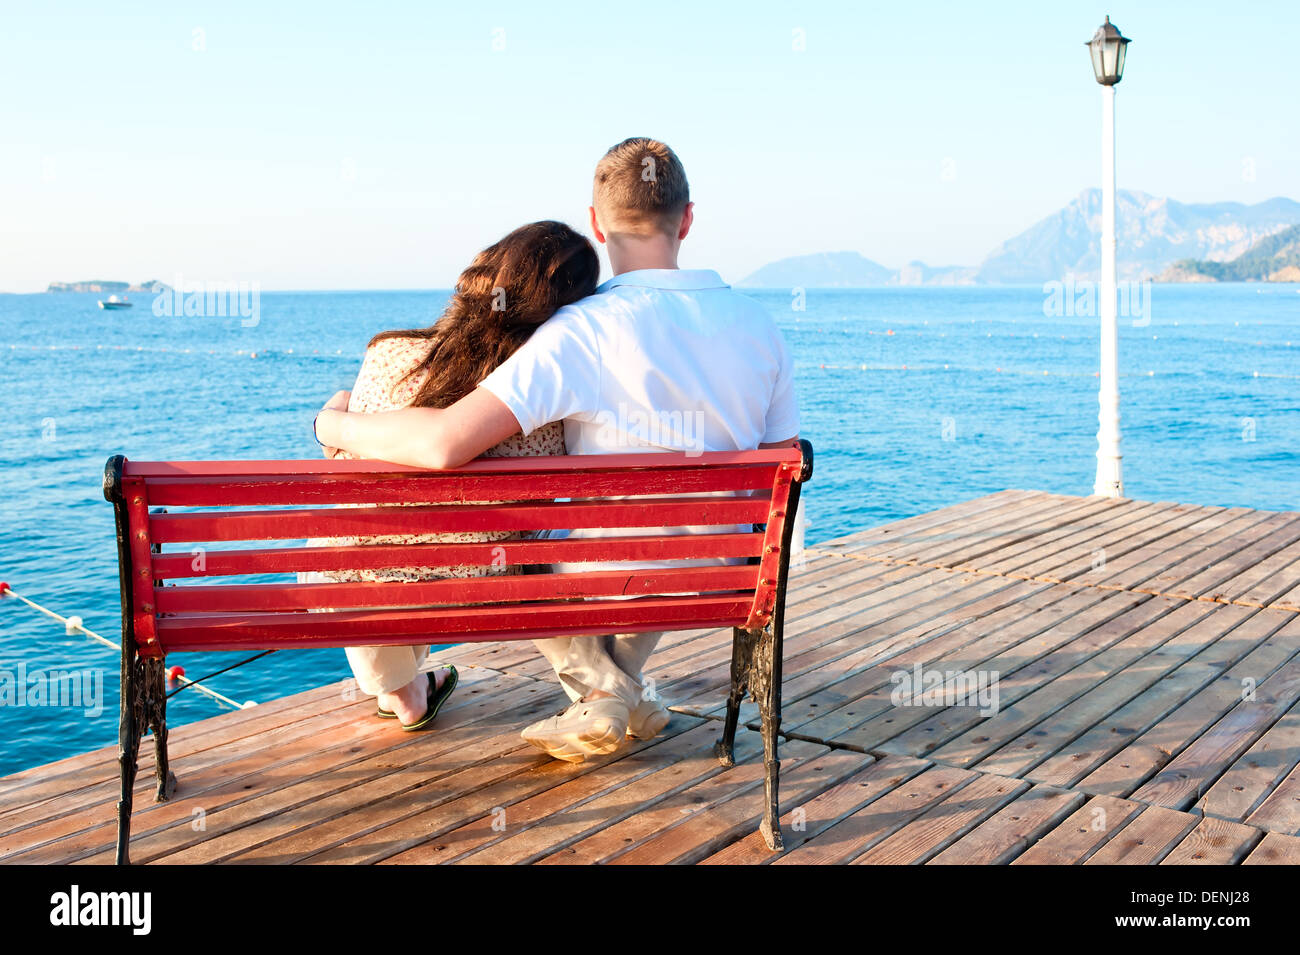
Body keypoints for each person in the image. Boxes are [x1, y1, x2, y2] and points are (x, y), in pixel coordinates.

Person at [315, 138, 800, 761]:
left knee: (529, 532)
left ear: (597, 225)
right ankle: (620, 691)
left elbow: (443, 443)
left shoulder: (584, 330)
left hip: (609, 580)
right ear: (687, 220)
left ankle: (609, 695)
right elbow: (780, 470)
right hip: (728, 575)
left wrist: (335, 427)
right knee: (649, 533)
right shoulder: (762, 327)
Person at [313, 221, 599, 731]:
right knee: (545, 541)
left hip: (356, 585)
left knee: (351, 540)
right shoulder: (539, 389)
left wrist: (333, 418)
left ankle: (404, 694)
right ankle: (596, 687)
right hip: (488, 585)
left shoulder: (385, 354)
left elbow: (348, 462)